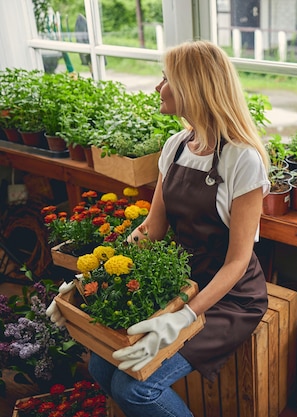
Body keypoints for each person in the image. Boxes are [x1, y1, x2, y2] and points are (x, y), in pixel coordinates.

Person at [48, 40, 270, 417]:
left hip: (229, 298)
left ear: (193, 88)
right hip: (178, 282)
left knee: (137, 390)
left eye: (166, 78)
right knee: (102, 364)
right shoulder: (177, 146)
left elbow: (237, 263)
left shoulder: (242, 160)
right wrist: (93, 277)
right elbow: (152, 228)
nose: (157, 86)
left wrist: (183, 317)